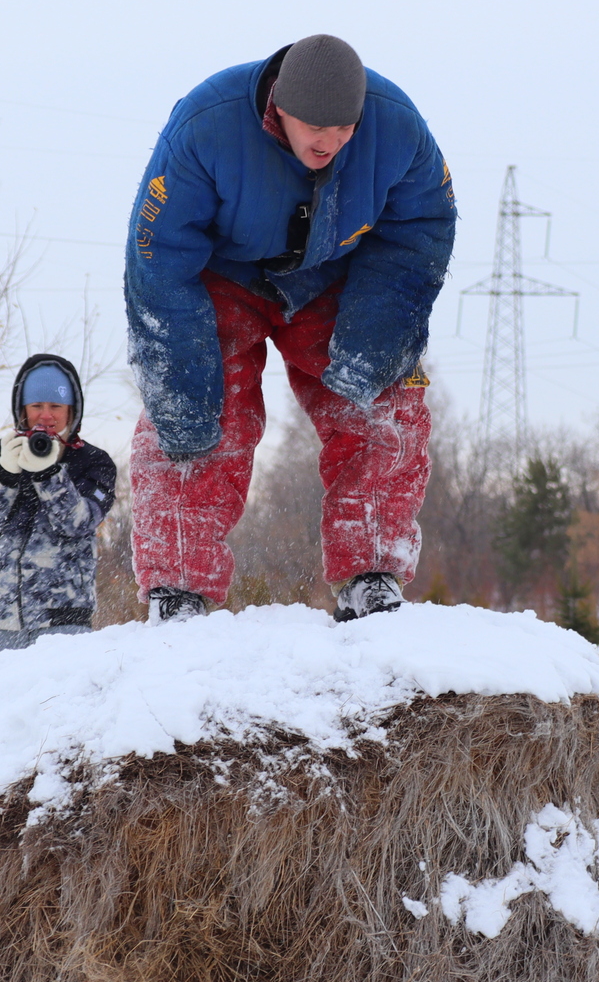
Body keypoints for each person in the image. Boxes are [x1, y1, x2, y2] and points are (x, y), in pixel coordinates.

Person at [124, 33, 456, 624]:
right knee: (196, 418)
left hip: (333, 275)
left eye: (345, 130)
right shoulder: (206, 125)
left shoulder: (400, 130)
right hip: (219, 275)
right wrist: (175, 377)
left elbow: (421, 230)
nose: (329, 142)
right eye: (314, 129)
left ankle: (371, 573)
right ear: (278, 106)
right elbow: (158, 254)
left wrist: (378, 340)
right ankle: (178, 588)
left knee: (384, 404)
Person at [0, 354, 117, 659]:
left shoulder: (93, 462)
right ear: (22, 409)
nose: (46, 416)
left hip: (62, 620)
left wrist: (48, 476)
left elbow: (77, 524)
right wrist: (3, 476)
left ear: (72, 410)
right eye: (36, 406)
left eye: (56, 406)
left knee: (60, 703)